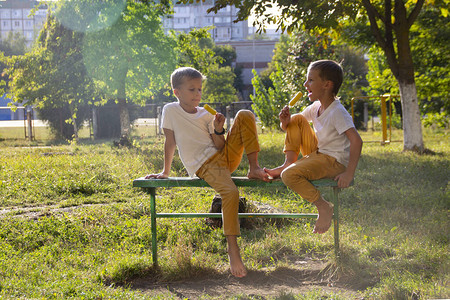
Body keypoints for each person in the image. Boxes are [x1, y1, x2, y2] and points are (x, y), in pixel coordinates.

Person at [145, 67, 269, 278]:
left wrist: (219, 129)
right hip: (204, 165)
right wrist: (165, 172)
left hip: (222, 158)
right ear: (177, 92)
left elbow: (220, 146)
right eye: (192, 89)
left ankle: (254, 168)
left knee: (245, 114)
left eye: (199, 89)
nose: (197, 94)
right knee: (230, 193)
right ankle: (232, 248)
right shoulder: (170, 110)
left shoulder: (206, 114)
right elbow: (170, 142)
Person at [265, 60, 363, 234]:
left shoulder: (337, 112)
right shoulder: (317, 106)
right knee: (296, 119)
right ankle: (288, 162)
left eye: (310, 80)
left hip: (333, 161)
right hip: (319, 153)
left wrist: (349, 173)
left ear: (326, 84)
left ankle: (323, 206)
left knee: (289, 176)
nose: (305, 84)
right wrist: (285, 122)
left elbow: (357, 140)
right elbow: (293, 127)